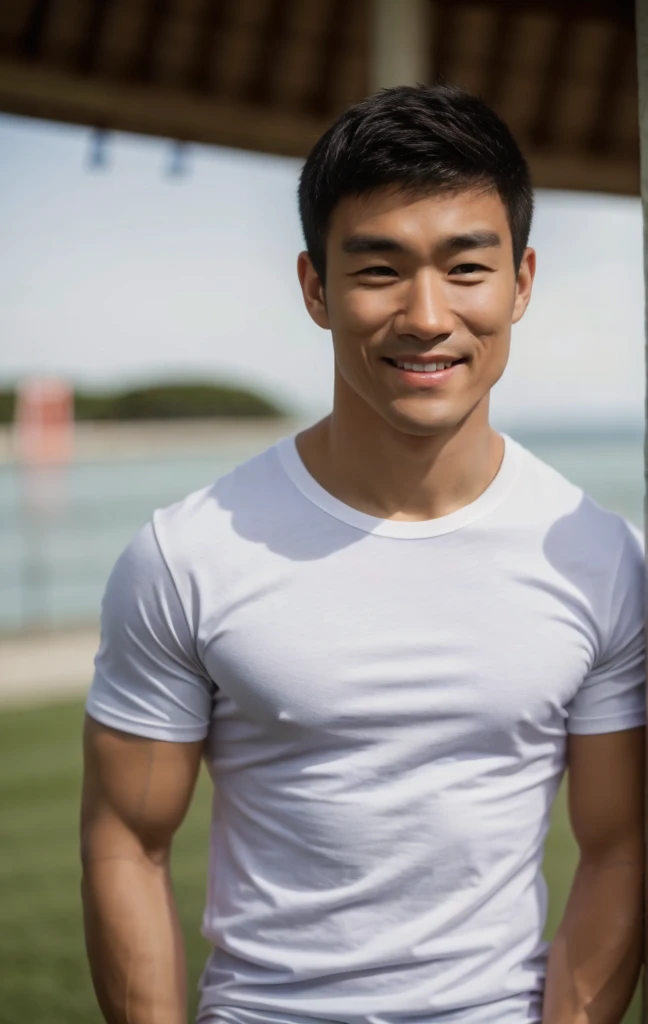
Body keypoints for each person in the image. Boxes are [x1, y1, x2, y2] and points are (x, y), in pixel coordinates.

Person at [80, 85, 645, 1024]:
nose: (426, 315)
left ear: (523, 281)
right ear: (316, 288)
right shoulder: (185, 554)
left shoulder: (605, 557)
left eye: (467, 267)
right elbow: (125, 843)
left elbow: (622, 849)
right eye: (379, 270)